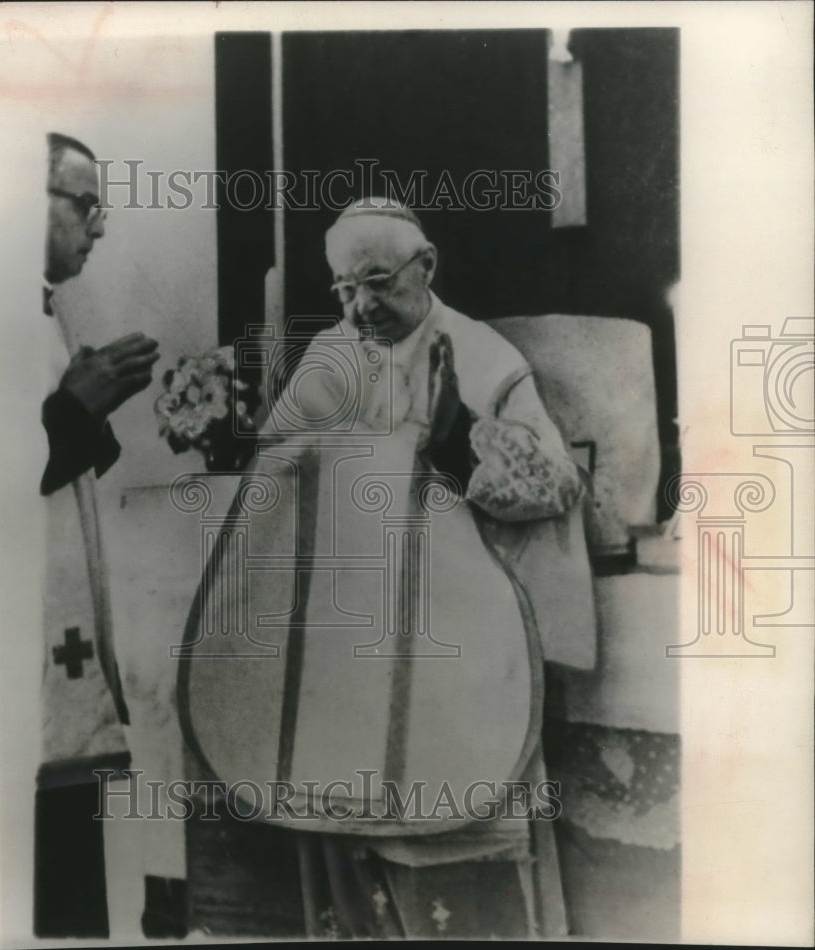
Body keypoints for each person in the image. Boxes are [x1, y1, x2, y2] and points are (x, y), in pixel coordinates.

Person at [179, 199, 596, 938]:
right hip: (341, 670)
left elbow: (556, 484)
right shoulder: (328, 361)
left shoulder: (482, 356)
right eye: (344, 288)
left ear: (425, 265)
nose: (360, 305)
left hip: (451, 655)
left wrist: (461, 438)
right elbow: (275, 492)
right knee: (346, 883)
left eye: (376, 282)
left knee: (457, 888)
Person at [36, 132, 175, 939]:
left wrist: (86, 411)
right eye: (85, 204)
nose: (100, 226)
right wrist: (70, 409)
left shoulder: (43, 310)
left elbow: (44, 462)